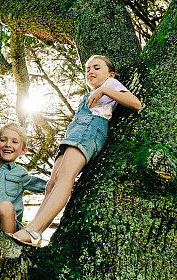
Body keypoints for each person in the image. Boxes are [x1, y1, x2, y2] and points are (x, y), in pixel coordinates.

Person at [12, 55, 141, 246]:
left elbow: (135, 103)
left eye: (97, 68)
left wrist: (105, 89)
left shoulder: (111, 84)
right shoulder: (91, 93)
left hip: (90, 130)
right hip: (74, 134)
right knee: (51, 185)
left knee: (65, 176)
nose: (91, 71)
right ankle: (35, 234)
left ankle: (33, 230)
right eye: (88, 69)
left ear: (110, 74)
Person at [0, 123, 48, 233]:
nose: (8, 144)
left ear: (23, 151)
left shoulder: (20, 173)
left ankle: (8, 244)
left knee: (5, 206)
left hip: (10, 225)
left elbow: (46, 187)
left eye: (14, 142)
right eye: (3, 140)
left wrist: (68, 187)